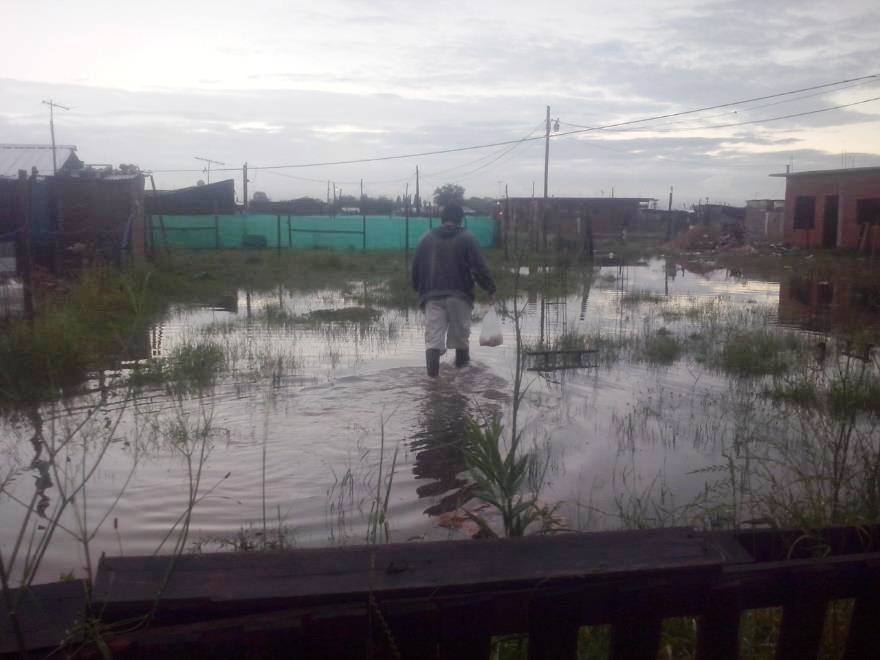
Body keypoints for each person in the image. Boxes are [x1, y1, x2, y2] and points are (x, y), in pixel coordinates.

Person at [410, 203, 496, 377]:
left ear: (442, 219)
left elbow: (415, 268)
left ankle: (432, 382)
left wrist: (419, 288)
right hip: (460, 296)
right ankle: (461, 382)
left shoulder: (426, 238)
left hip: (432, 296)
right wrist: (490, 288)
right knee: (460, 340)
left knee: (433, 340)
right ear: (460, 219)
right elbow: (479, 267)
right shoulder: (467, 238)